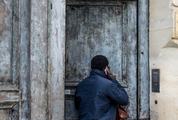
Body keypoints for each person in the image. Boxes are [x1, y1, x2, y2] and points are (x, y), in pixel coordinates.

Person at [75, 55, 129, 120]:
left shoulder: (81, 85)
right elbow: (124, 100)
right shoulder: (108, 84)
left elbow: (77, 105)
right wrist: (112, 79)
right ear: (106, 68)